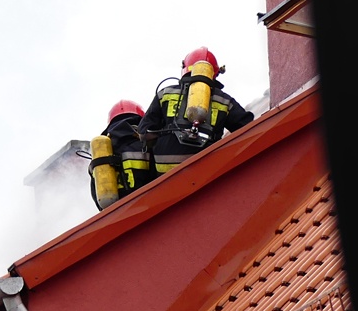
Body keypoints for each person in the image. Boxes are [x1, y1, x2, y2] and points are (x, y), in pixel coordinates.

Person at [138, 47, 254, 175]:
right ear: (214, 72)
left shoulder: (165, 94)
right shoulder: (224, 100)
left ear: (185, 67)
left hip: (165, 175)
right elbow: (249, 129)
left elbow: (144, 132)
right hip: (206, 174)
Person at [89, 100, 155, 210]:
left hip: (119, 217)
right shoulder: (147, 143)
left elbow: (98, 201)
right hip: (151, 207)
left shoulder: (101, 153)